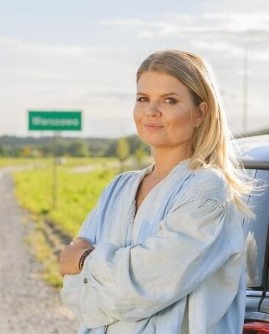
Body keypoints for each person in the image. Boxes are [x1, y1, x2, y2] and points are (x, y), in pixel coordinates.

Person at [58, 49, 253, 333]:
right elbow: (73, 288)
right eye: (143, 99)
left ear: (201, 112)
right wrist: (108, 281)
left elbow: (140, 289)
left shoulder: (207, 192)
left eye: (169, 100)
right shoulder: (118, 188)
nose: (151, 111)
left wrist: (86, 261)